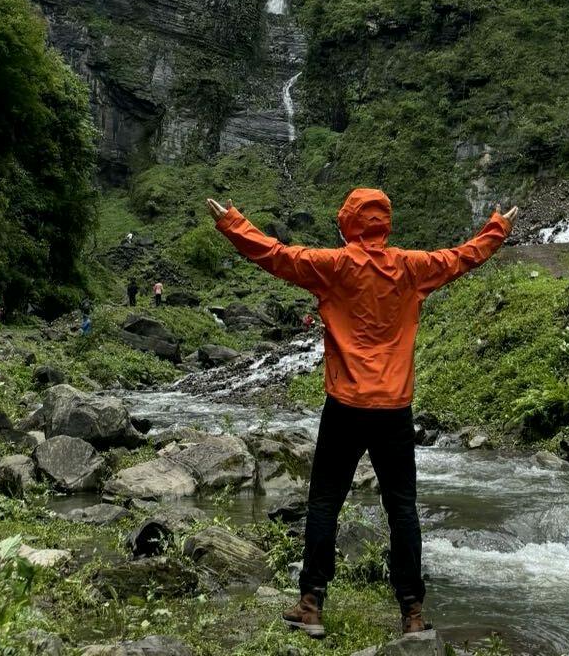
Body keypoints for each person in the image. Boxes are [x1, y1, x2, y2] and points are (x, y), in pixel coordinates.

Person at [207, 189, 517, 639]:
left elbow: (274, 255)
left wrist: (232, 222)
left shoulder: (333, 266)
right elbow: (461, 257)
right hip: (394, 408)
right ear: (384, 223)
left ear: (348, 223)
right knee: (403, 510)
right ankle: (412, 614)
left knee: (325, 503)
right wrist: (497, 228)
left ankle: (311, 603)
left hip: (345, 405)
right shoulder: (412, 267)